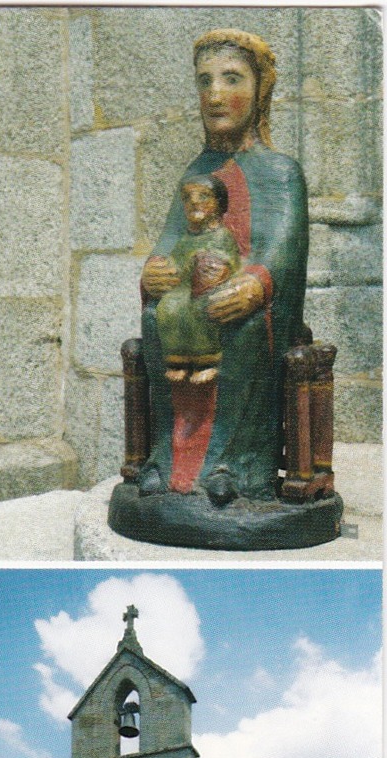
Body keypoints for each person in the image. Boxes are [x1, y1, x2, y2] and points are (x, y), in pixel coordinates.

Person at [136, 29, 307, 501]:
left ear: (260, 90)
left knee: (242, 325)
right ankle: (166, 461)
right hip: (192, 303)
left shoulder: (281, 172)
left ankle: (237, 466)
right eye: (204, 81)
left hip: (252, 309)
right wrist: (155, 271)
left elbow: (284, 249)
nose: (215, 94)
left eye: (231, 79)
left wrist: (255, 283)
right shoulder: (196, 171)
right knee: (155, 317)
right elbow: (170, 241)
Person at [155, 174, 240, 386]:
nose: (194, 201)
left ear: (219, 204)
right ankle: (178, 360)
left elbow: (228, 261)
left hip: (209, 287)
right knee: (168, 307)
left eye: (203, 196)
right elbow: (176, 261)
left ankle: (206, 361)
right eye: (188, 198)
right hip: (184, 287)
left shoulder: (221, 236)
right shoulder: (185, 238)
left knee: (204, 308)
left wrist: (211, 265)